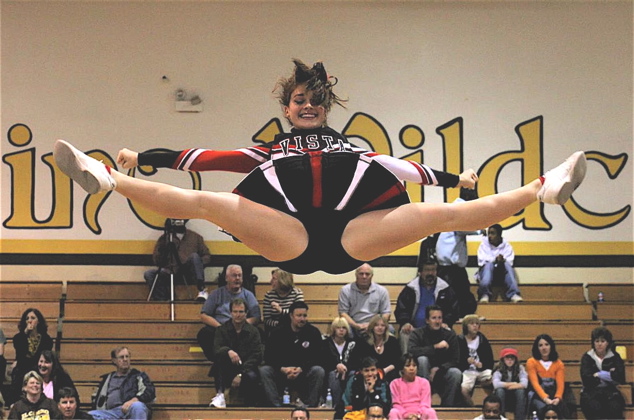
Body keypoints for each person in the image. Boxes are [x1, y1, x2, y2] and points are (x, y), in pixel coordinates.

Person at [53, 59, 587, 277]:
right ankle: (105, 178)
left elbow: (407, 171)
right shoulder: (269, 152)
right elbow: (204, 161)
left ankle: (544, 186)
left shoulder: (354, 149)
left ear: (325, 106)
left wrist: (455, 181)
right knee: (205, 202)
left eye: (315, 100)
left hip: (353, 233)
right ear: (286, 108)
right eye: (299, 100)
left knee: (444, 215)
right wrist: (144, 158)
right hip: (292, 235)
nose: (307, 106)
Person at [259, 301, 324, 408]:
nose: (302, 319)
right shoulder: (277, 333)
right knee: (264, 370)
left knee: (318, 371)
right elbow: (269, 357)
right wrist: (283, 368)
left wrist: (301, 368)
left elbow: (318, 357)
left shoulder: (313, 332)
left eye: (304, 315)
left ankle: (310, 407)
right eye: (299, 315)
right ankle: (276, 407)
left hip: (303, 372)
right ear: (291, 316)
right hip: (282, 372)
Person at [197, 264, 261, 364]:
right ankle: (218, 360)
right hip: (221, 329)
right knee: (204, 333)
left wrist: (240, 324)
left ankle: (245, 362)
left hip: (242, 330)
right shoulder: (216, 294)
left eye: (240, 276)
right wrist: (221, 328)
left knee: (258, 332)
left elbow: (256, 317)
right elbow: (204, 316)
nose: (237, 278)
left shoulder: (248, 295)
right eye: (234, 275)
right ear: (226, 278)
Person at [395, 256, 458, 354]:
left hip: (438, 328)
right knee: (404, 333)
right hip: (414, 329)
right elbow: (401, 309)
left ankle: (446, 366)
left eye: (433, 270)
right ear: (420, 272)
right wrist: (405, 322)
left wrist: (446, 322)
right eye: (427, 270)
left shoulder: (445, 288)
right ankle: (407, 364)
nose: (430, 273)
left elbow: (453, 310)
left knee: (449, 332)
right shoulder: (410, 288)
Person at [208, 298, 262, 408]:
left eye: (241, 312)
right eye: (235, 311)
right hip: (227, 366)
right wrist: (228, 351)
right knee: (219, 361)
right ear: (230, 313)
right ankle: (220, 395)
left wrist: (240, 374)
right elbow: (216, 350)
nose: (238, 315)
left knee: (252, 376)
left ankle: (249, 407)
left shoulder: (253, 331)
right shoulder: (222, 329)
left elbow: (256, 355)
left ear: (246, 313)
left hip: (246, 367)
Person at [435, 187, 480, 318]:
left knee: (461, 292)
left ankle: (461, 316)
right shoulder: (460, 209)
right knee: (458, 293)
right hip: (450, 267)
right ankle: (459, 316)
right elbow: (462, 228)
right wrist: (481, 230)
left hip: (449, 265)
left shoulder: (455, 207)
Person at [144, 218, 212, 301]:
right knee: (149, 274)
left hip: (188, 271)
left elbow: (207, 256)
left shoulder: (196, 237)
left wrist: (197, 263)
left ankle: (202, 289)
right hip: (170, 270)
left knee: (194, 256)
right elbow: (156, 260)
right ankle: (161, 300)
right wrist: (163, 245)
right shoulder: (165, 238)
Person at [407, 304, 461, 407]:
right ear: (427, 320)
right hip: (422, 372)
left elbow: (456, 359)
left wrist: (438, 369)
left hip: (442, 372)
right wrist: (435, 347)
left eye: (439, 318)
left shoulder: (450, 335)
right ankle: (424, 402)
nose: (437, 321)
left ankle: (448, 407)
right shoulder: (417, 333)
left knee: (456, 373)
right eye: (434, 318)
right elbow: (412, 351)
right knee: (422, 360)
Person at [89, 346, 155, 420]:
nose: (125, 359)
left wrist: (134, 400)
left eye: (127, 356)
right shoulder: (106, 379)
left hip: (131, 410)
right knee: (91, 415)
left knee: (138, 406)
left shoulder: (138, 376)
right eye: (121, 357)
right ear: (114, 360)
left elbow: (150, 392)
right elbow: (96, 398)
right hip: (111, 413)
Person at [579, 326, 626, 420]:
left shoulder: (615, 357)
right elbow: (587, 379)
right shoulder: (587, 357)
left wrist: (598, 375)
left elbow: (620, 377)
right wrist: (608, 375)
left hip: (610, 391)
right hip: (590, 392)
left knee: (615, 406)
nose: (599, 344)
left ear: (608, 343)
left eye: (602, 341)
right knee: (593, 406)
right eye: (597, 341)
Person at [9, 308, 54, 405]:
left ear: (38, 321)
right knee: (19, 372)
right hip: (23, 368)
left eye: (33, 318)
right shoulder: (19, 338)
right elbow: (21, 355)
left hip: (38, 367)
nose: (29, 320)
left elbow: (44, 357)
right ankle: (16, 403)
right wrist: (25, 334)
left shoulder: (46, 339)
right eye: (27, 318)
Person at [338, 264, 392, 339]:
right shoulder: (346, 290)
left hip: (375, 325)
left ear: (372, 276)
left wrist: (372, 325)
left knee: (391, 330)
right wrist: (356, 326)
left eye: (367, 274)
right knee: (343, 330)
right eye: (361, 274)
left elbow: (386, 313)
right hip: (353, 325)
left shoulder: (382, 291)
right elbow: (343, 313)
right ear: (356, 275)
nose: (364, 277)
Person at [321, 317, 361, 412]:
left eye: (344, 327)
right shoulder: (325, 344)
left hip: (348, 371)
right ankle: (336, 406)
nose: (341, 330)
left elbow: (357, 361)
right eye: (338, 327)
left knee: (353, 374)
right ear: (333, 329)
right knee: (332, 375)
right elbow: (323, 361)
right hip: (331, 372)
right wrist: (336, 366)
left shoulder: (353, 344)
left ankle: (349, 406)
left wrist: (345, 368)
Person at [476, 224, 523, 303]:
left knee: (507, 265)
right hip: (487, 274)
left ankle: (513, 294)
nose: (490, 236)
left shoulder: (507, 246)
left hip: (501, 274)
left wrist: (502, 261)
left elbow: (510, 261)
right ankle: (485, 294)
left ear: (499, 235)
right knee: (488, 265)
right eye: (489, 233)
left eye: (492, 233)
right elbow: (481, 261)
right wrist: (495, 260)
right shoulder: (484, 244)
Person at [526, 334, 568, 418]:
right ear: (537, 348)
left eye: (546, 344)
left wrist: (557, 398)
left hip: (554, 394)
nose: (544, 348)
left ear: (551, 346)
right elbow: (535, 384)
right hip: (538, 396)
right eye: (540, 345)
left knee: (563, 408)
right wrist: (545, 399)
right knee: (543, 409)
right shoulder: (531, 362)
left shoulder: (559, 363)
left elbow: (560, 384)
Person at [458, 314, 494, 406]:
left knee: (494, 379)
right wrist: (466, 361)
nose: (475, 326)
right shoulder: (460, 339)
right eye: (472, 323)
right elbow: (456, 358)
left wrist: (483, 365)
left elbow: (489, 358)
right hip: (467, 370)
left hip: (482, 370)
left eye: (477, 324)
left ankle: (493, 404)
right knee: (463, 389)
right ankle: (472, 408)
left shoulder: (482, 339)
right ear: (466, 326)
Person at [388, 353, 436, 420]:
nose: (411, 368)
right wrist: (407, 415)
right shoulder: (395, 383)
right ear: (402, 369)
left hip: (420, 415)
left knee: (431, 412)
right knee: (393, 412)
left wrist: (418, 415)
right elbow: (396, 404)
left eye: (414, 365)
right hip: (402, 415)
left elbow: (425, 403)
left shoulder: (424, 382)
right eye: (408, 366)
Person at [356, 315, 401, 383]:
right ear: (372, 327)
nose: (380, 328)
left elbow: (397, 361)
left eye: (382, 325)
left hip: (388, 372)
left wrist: (384, 371)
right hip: (368, 373)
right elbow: (359, 361)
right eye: (376, 325)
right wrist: (372, 372)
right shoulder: (364, 341)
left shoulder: (392, 341)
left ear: (386, 328)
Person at [262, 268, 304, 336]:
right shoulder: (269, 295)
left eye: (274, 279)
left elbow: (299, 314)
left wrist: (281, 311)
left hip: (295, 329)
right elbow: (266, 320)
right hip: (275, 331)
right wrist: (281, 325)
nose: (270, 281)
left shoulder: (297, 293)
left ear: (283, 280)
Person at [492, 347, 528, 420]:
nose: (510, 360)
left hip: (515, 397)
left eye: (512, 358)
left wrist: (510, 386)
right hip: (502, 396)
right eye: (507, 358)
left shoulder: (520, 368)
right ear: (503, 359)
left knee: (520, 391)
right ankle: (501, 417)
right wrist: (512, 384)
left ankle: (520, 418)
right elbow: (496, 384)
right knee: (500, 391)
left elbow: (524, 384)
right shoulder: (498, 368)